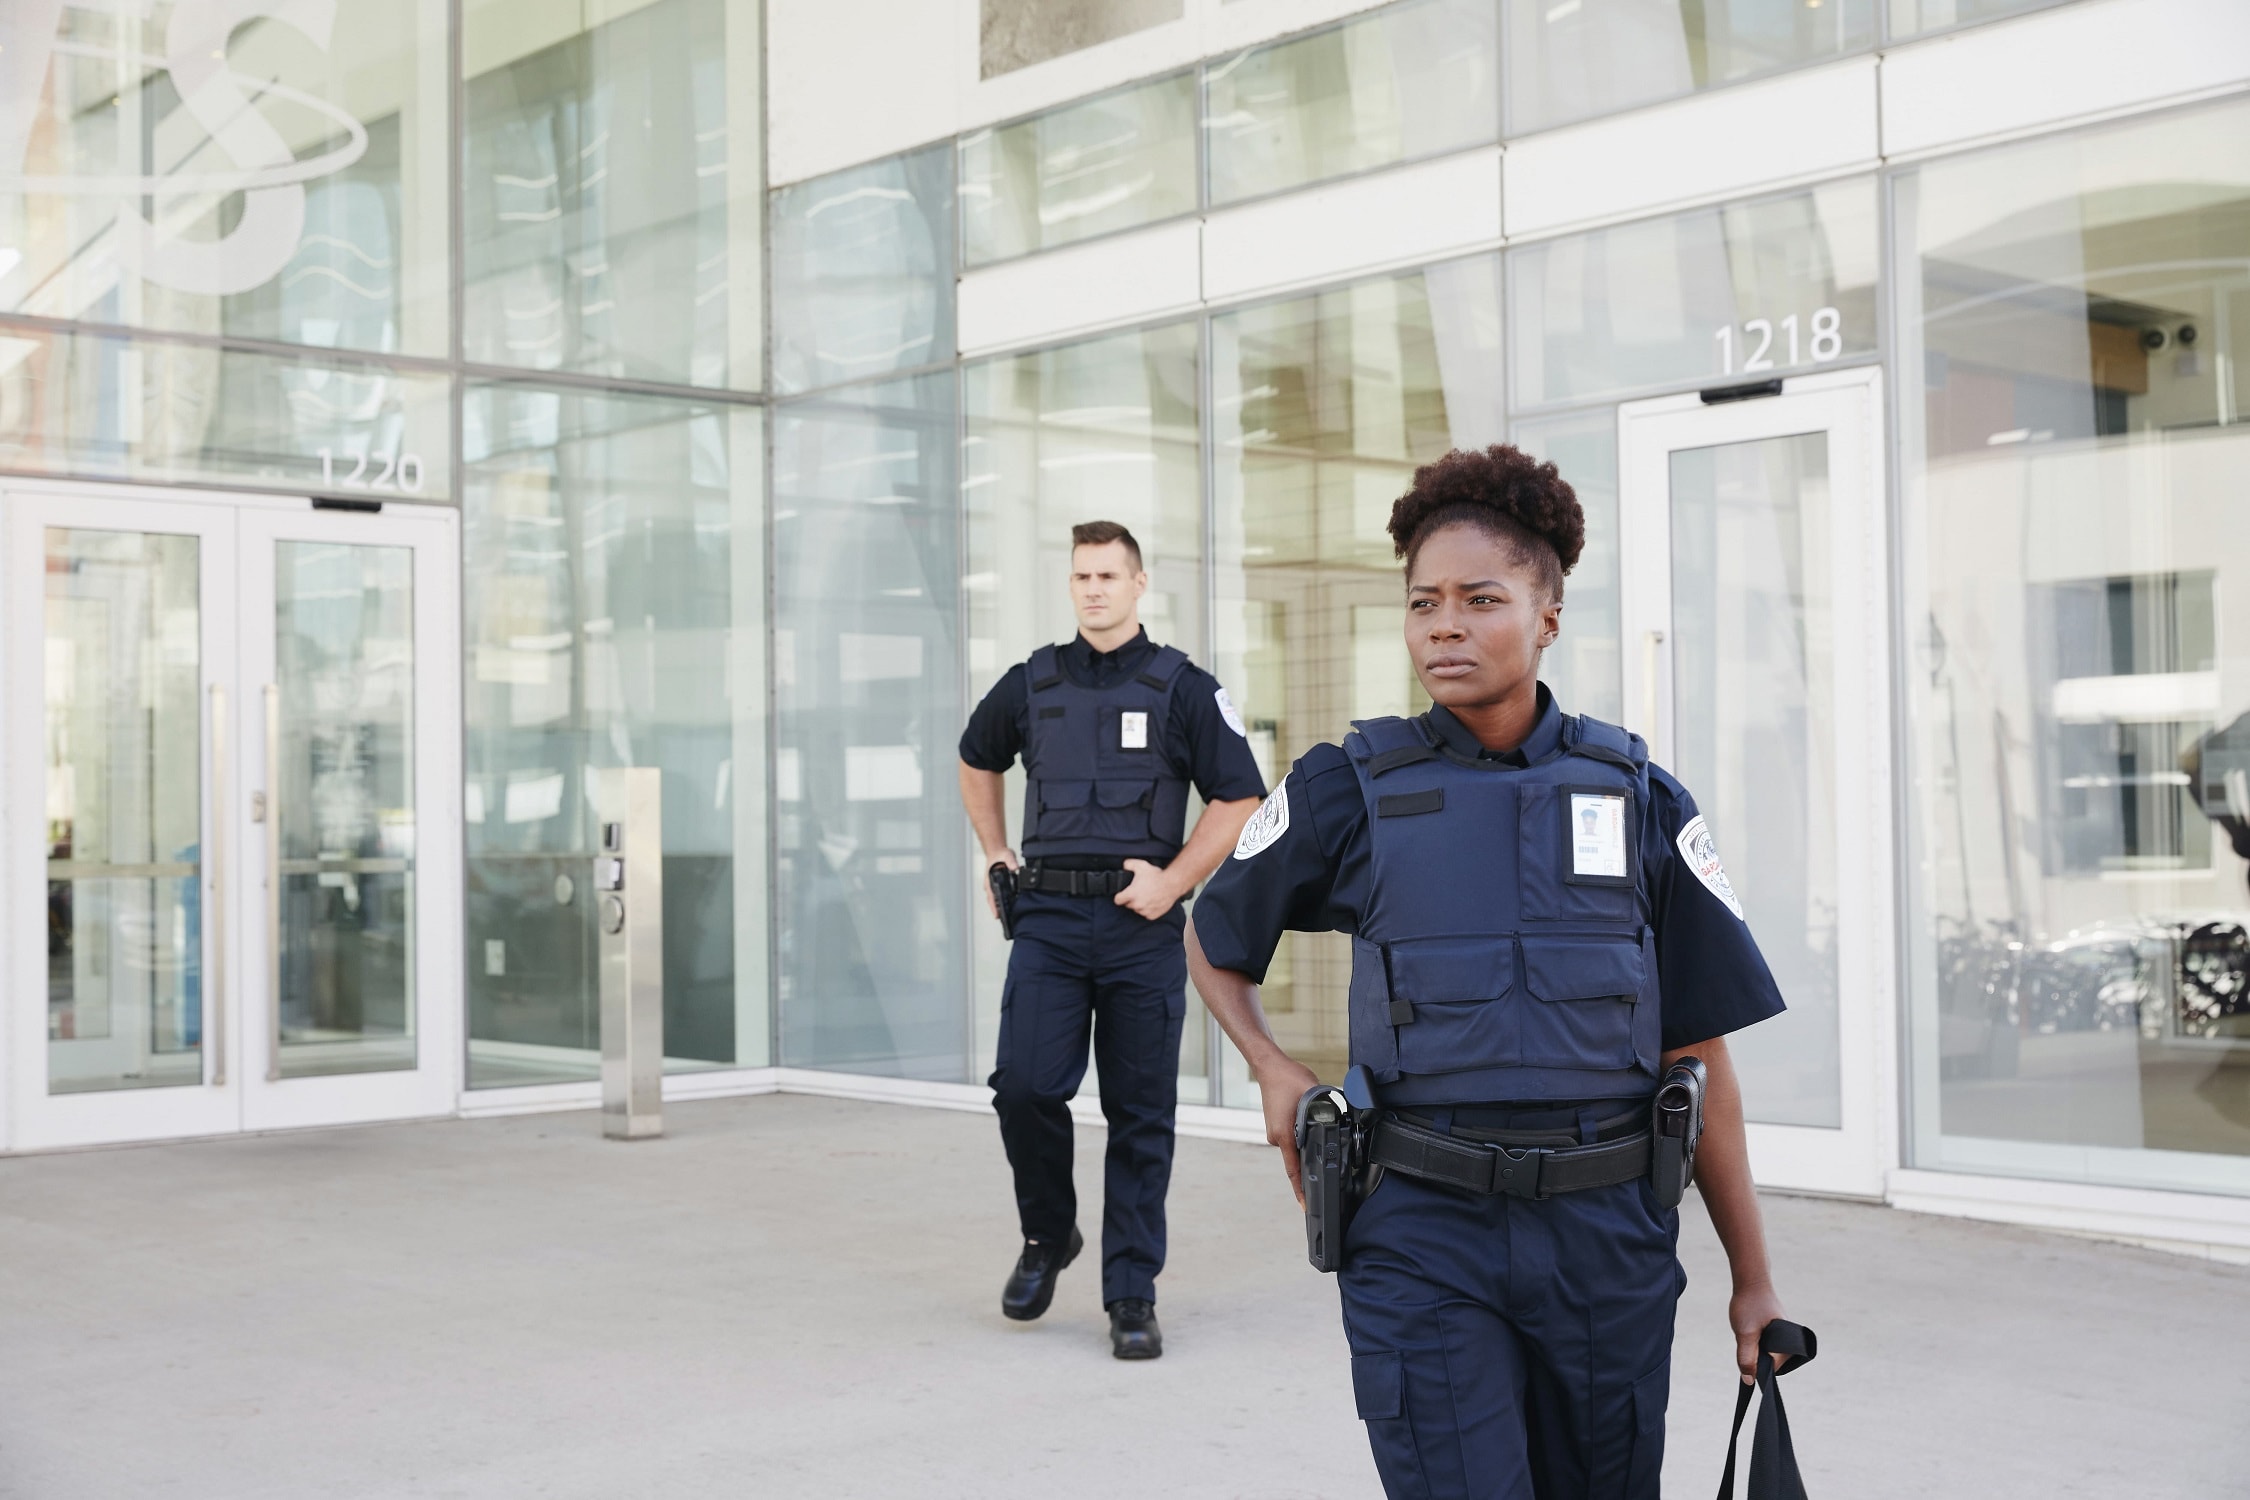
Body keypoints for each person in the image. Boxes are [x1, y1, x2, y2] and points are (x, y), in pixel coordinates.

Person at [1184, 447, 1794, 1496]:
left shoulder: (1641, 797)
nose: (1444, 626)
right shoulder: (1346, 788)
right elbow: (1216, 936)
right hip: (1422, 1230)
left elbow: (1699, 1056)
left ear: (1547, 616)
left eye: (1480, 599)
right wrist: (1273, 1069)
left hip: (1609, 1237)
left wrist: (1755, 1282)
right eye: (1424, 603)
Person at [958, 520, 1265, 1359]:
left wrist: (1175, 881)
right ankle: (1047, 1235)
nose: (1093, 588)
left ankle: (1131, 1293)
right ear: (1072, 587)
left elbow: (1240, 797)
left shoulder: (1182, 688)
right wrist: (996, 853)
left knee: (1140, 1117)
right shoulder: (1033, 681)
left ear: (1138, 586)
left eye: (1108, 575)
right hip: (1049, 921)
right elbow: (975, 757)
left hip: (1141, 930)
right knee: (1024, 1087)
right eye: (1082, 576)